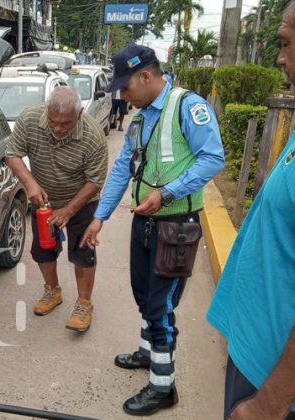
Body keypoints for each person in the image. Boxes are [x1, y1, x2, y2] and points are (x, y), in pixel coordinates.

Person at [80, 44, 224, 415]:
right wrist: (100, 216)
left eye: (125, 88)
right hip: (145, 223)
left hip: (176, 226)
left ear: (146, 76)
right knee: (144, 294)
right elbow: (121, 169)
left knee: (160, 306)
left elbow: (213, 158)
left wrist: (168, 192)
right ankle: (149, 353)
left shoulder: (187, 107)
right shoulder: (141, 117)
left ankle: (164, 386)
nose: (122, 96)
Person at [207, 1, 295, 418]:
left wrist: (267, 406)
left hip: (282, 394)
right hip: (262, 363)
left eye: (286, 44)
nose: (279, 58)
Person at [5, 86, 108, 332]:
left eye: (66, 123)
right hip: (44, 202)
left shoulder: (93, 136)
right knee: (43, 250)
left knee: (83, 251)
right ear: (46, 111)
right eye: (53, 121)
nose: (58, 128)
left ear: (80, 113)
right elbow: (12, 153)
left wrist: (70, 210)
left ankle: (84, 303)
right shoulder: (30, 119)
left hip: (82, 202)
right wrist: (30, 184)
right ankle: (52, 291)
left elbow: (95, 180)